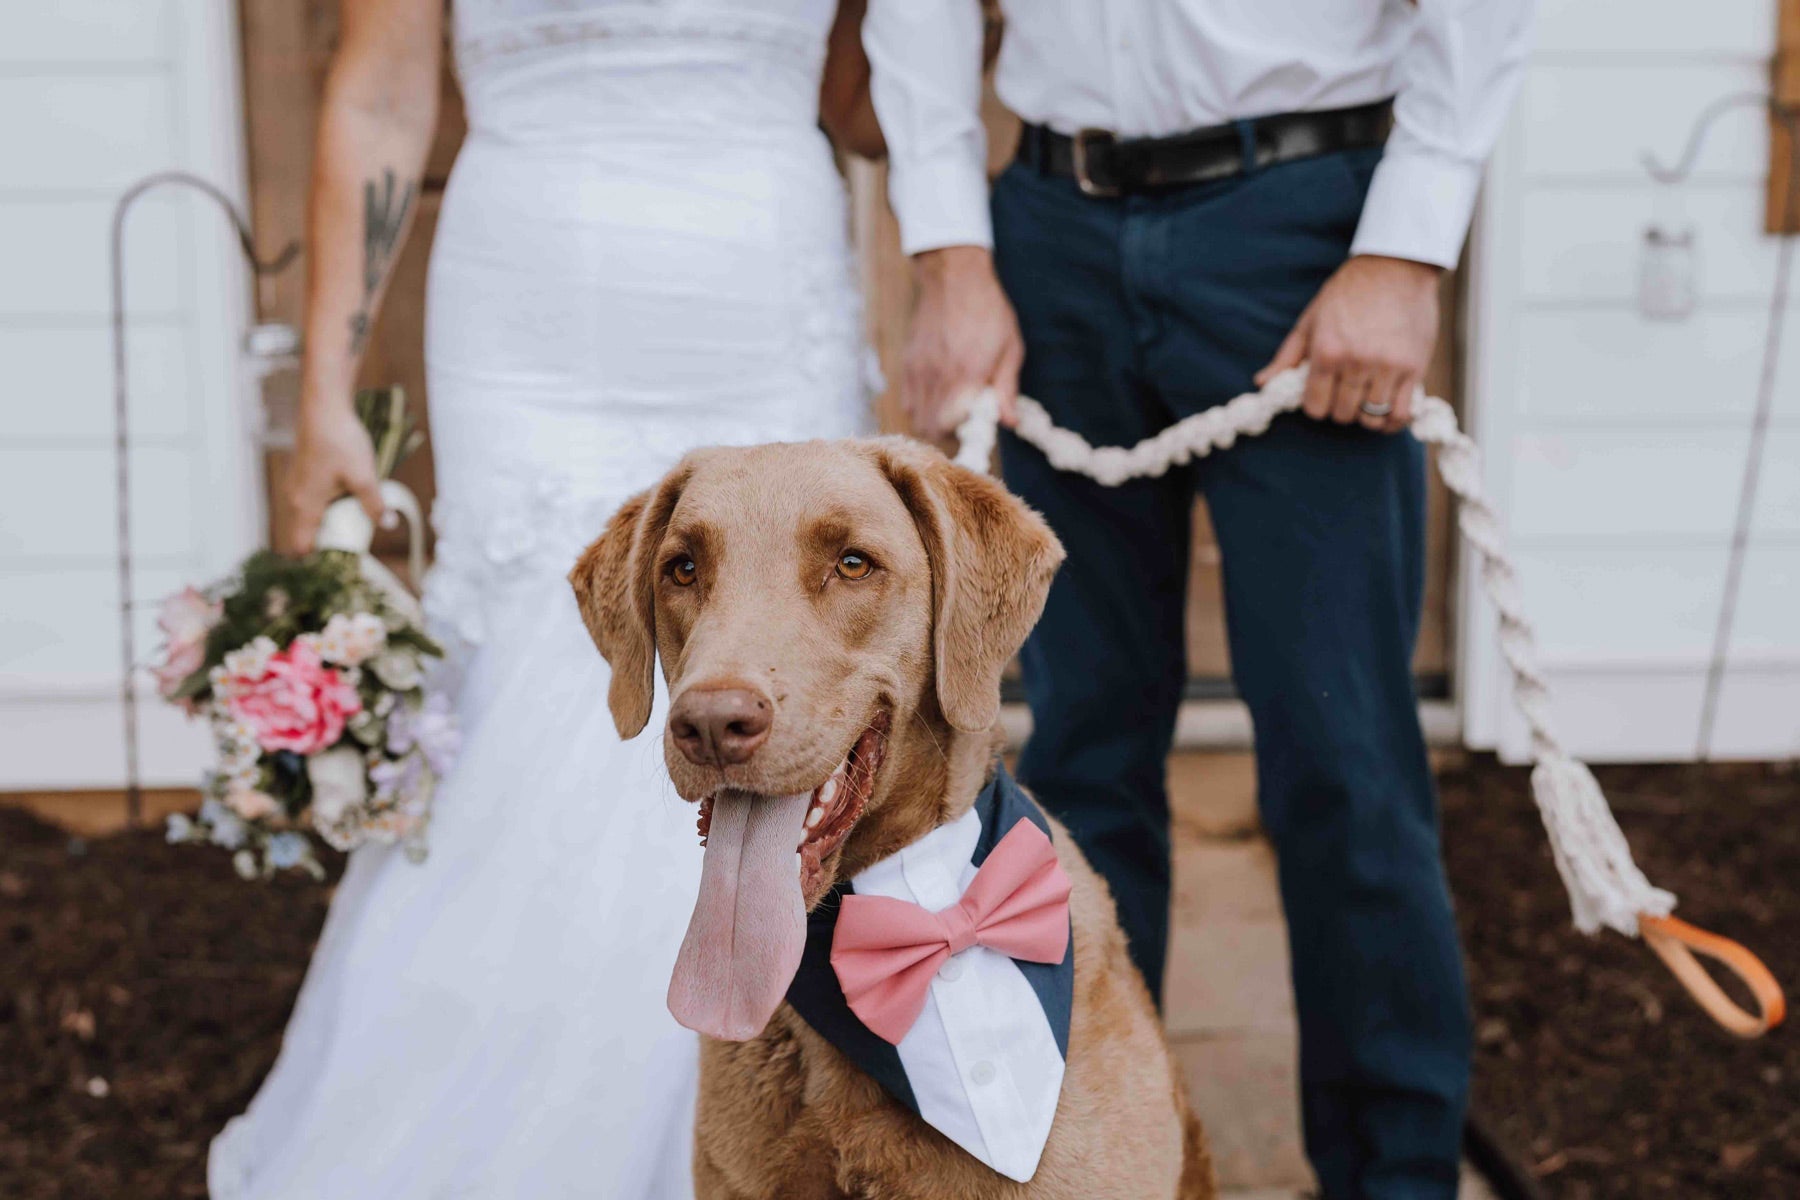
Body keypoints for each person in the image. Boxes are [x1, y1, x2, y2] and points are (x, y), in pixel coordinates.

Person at [862, 2, 1535, 1196]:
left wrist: (1406, 249)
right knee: (1079, 754)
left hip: (1304, 218)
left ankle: (1395, 1176)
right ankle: (1090, 1159)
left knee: (1345, 760)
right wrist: (951, 257)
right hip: (1051, 224)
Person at [211, 1, 881, 1196]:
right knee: (541, 687)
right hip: (533, 328)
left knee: (773, 679)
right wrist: (326, 393)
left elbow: (869, 84)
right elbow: (377, 90)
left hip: (767, 296)